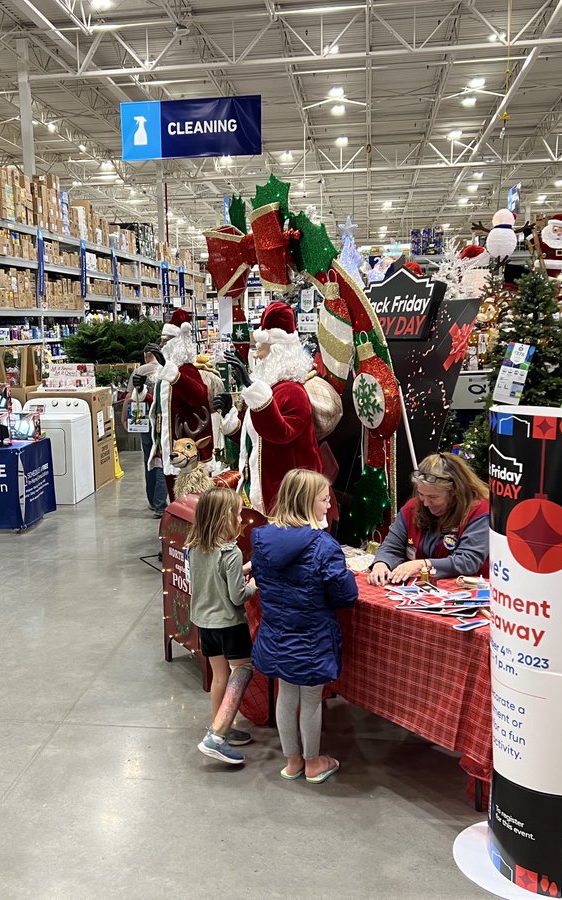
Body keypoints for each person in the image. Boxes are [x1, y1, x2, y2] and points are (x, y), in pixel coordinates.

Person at [251, 469, 358, 783]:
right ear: (308, 502)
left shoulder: (262, 539)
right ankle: (314, 763)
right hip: (313, 640)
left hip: (275, 636)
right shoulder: (324, 546)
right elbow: (345, 595)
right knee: (311, 700)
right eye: (325, 500)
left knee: (286, 695)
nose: (329, 506)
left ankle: (293, 761)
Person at [218, 302, 322, 515]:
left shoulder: (293, 393)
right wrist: (231, 417)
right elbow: (256, 439)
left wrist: (251, 387)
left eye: (260, 347)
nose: (256, 355)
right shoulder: (269, 389)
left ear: (277, 350)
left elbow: (280, 433)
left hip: (288, 499)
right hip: (261, 490)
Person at [187, 487, 257, 765]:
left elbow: (212, 579)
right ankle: (216, 737)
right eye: (238, 514)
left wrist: (241, 572)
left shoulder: (196, 547)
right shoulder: (232, 552)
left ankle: (221, 726)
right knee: (242, 670)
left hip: (205, 623)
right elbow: (237, 596)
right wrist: (252, 585)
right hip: (230, 623)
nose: (241, 519)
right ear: (225, 518)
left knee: (220, 677)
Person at [367, 453, 490, 586]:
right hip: (422, 589)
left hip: (469, 590)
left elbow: (467, 561)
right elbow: (391, 546)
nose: (425, 503)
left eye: (433, 497)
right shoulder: (413, 508)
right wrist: (381, 564)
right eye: (421, 494)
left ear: (455, 492)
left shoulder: (480, 511)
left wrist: (422, 564)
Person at [154, 309, 216, 500]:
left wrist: (172, 373)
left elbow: (199, 395)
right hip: (169, 445)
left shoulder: (186, 370)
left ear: (176, 343)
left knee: (189, 501)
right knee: (175, 500)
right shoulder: (164, 372)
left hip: (187, 451)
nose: (161, 345)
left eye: (165, 341)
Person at [126, 345, 167, 517]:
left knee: (148, 458)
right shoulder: (167, 371)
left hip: (143, 421)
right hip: (162, 419)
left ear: (145, 356)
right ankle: (160, 504)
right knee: (161, 459)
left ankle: (152, 500)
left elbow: (129, 398)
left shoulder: (139, 371)